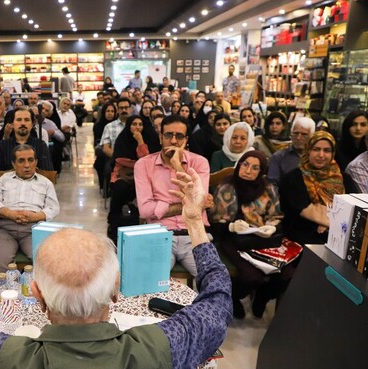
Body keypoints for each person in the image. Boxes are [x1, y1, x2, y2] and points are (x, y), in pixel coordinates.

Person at [0, 167, 231, 369]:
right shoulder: (163, 346)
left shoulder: (5, 358)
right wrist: (194, 223)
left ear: (37, 296)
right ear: (116, 290)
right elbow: (218, 301)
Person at [209, 150, 288, 319]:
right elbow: (214, 223)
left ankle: (262, 297)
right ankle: (233, 297)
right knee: (252, 277)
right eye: (245, 164)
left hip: (262, 240)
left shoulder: (268, 188)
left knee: (288, 274)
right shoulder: (226, 186)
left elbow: (276, 216)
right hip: (233, 240)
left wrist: (272, 227)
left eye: (255, 168)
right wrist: (231, 226)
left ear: (262, 171)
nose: (248, 170)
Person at [135, 114, 211, 275]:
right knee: (151, 283)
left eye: (179, 136)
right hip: (159, 235)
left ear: (186, 139)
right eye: (169, 135)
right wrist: (190, 206)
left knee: (212, 280)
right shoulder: (144, 165)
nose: (174, 141)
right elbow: (145, 211)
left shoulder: (200, 162)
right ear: (161, 137)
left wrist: (177, 165)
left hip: (194, 234)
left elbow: (199, 201)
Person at [0, 144, 59, 281]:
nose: (27, 165)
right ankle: (5, 299)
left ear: (36, 162)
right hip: (6, 228)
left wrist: (35, 216)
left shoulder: (45, 183)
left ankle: (41, 298)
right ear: (14, 164)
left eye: (30, 160)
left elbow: (53, 208)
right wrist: (10, 214)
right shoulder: (4, 180)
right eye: (21, 161)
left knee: (47, 261)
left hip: (34, 229)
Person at [280, 131, 344, 245]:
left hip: (338, 240)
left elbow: (352, 208)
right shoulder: (293, 178)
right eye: (316, 149)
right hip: (300, 240)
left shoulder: (343, 178)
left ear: (333, 153)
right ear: (308, 150)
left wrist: (327, 221)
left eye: (327, 150)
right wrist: (333, 220)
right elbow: (304, 209)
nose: (321, 155)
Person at [107, 115, 160, 240]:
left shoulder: (150, 138)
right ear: (129, 126)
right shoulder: (122, 138)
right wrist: (138, 163)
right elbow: (120, 159)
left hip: (144, 175)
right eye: (134, 124)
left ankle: (140, 217)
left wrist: (140, 142)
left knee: (146, 188)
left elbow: (148, 160)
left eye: (140, 124)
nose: (137, 127)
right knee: (121, 188)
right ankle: (114, 217)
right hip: (123, 174)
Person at [0, 108, 53, 172]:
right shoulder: (2, 146)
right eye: (19, 120)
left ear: (32, 124)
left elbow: (48, 172)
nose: (23, 123)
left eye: (26, 120)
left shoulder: (41, 145)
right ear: (12, 123)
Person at [267, 117, 315, 188]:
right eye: (295, 133)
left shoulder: (318, 157)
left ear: (312, 136)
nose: (298, 138)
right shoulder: (278, 157)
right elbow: (272, 185)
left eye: (304, 134)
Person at [93, 102, 118, 189]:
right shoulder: (98, 125)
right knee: (100, 162)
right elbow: (97, 141)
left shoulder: (118, 125)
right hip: (103, 149)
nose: (110, 113)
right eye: (108, 111)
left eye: (112, 111)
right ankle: (104, 186)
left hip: (116, 149)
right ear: (104, 112)